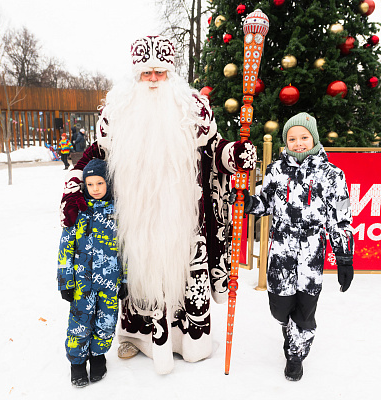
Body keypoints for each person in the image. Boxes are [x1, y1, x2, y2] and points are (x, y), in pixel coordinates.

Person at [60, 35, 257, 374]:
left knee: (182, 275)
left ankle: (187, 342)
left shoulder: (192, 108)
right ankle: (136, 339)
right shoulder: (117, 111)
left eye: (160, 73)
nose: (152, 80)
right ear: (136, 74)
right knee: (136, 274)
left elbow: (212, 149)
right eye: (146, 73)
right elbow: (97, 154)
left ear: (170, 73)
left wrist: (233, 154)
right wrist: (75, 185)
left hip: (182, 216)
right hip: (134, 218)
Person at [237, 112, 354, 381]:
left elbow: (342, 218)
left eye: (303, 137)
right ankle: (289, 331)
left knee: (305, 310)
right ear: (286, 141)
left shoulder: (333, 175)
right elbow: (264, 203)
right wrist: (246, 201)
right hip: (281, 251)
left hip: (313, 252)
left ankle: (296, 354)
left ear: (313, 138)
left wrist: (344, 257)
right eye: (292, 138)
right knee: (279, 308)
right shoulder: (275, 170)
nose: (298, 143)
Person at [57, 158, 123, 387]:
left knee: (106, 322)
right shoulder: (77, 213)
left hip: (110, 282)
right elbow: (65, 249)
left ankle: (98, 356)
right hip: (82, 283)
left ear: (109, 184)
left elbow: (127, 250)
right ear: (85, 185)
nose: (95, 189)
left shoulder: (118, 214)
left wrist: (124, 280)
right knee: (79, 323)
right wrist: (65, 281)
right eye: (91, 184)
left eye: (100, 184)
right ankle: (76, 363)